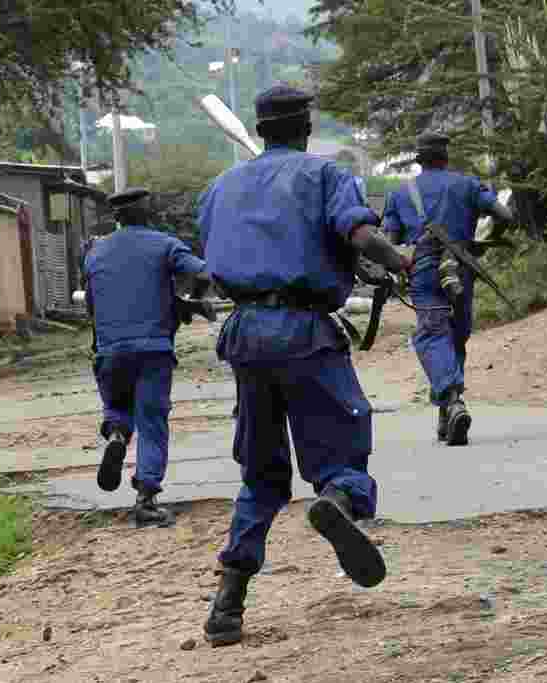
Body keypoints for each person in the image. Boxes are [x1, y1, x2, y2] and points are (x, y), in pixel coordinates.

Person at [197, 84, 413, 647]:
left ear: (261, 128)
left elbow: (228, 257)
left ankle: (228, 604)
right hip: (303, 332)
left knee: (261, 475)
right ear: (306, 126)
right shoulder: (325, 176)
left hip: (244, 334)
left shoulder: (220, 188)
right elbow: (360, 233)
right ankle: (337, 502)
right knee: (342, 444)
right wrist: (398, 259)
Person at [83, 187, 211, 527]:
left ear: (117, 218)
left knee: (118, 408)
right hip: (153, 350)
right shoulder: (164, 244)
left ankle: (117, 436)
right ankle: (146, 498)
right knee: (152, 421)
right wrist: (191, 301)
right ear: (148, 212)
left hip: (109, 351)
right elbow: (203, 272)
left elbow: (92, 306)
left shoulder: (95, 252)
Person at [382, 132, 512, 446]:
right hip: (462, 268)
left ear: (418, 160)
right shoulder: (467, 185)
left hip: (425, 271)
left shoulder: (400, 194)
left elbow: (390, 240)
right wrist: (483, 244)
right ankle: (447, 411)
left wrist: (396, 267)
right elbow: (505, 215)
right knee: (455, 334)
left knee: (432, 333)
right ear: (446, 157)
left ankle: (452, 401)